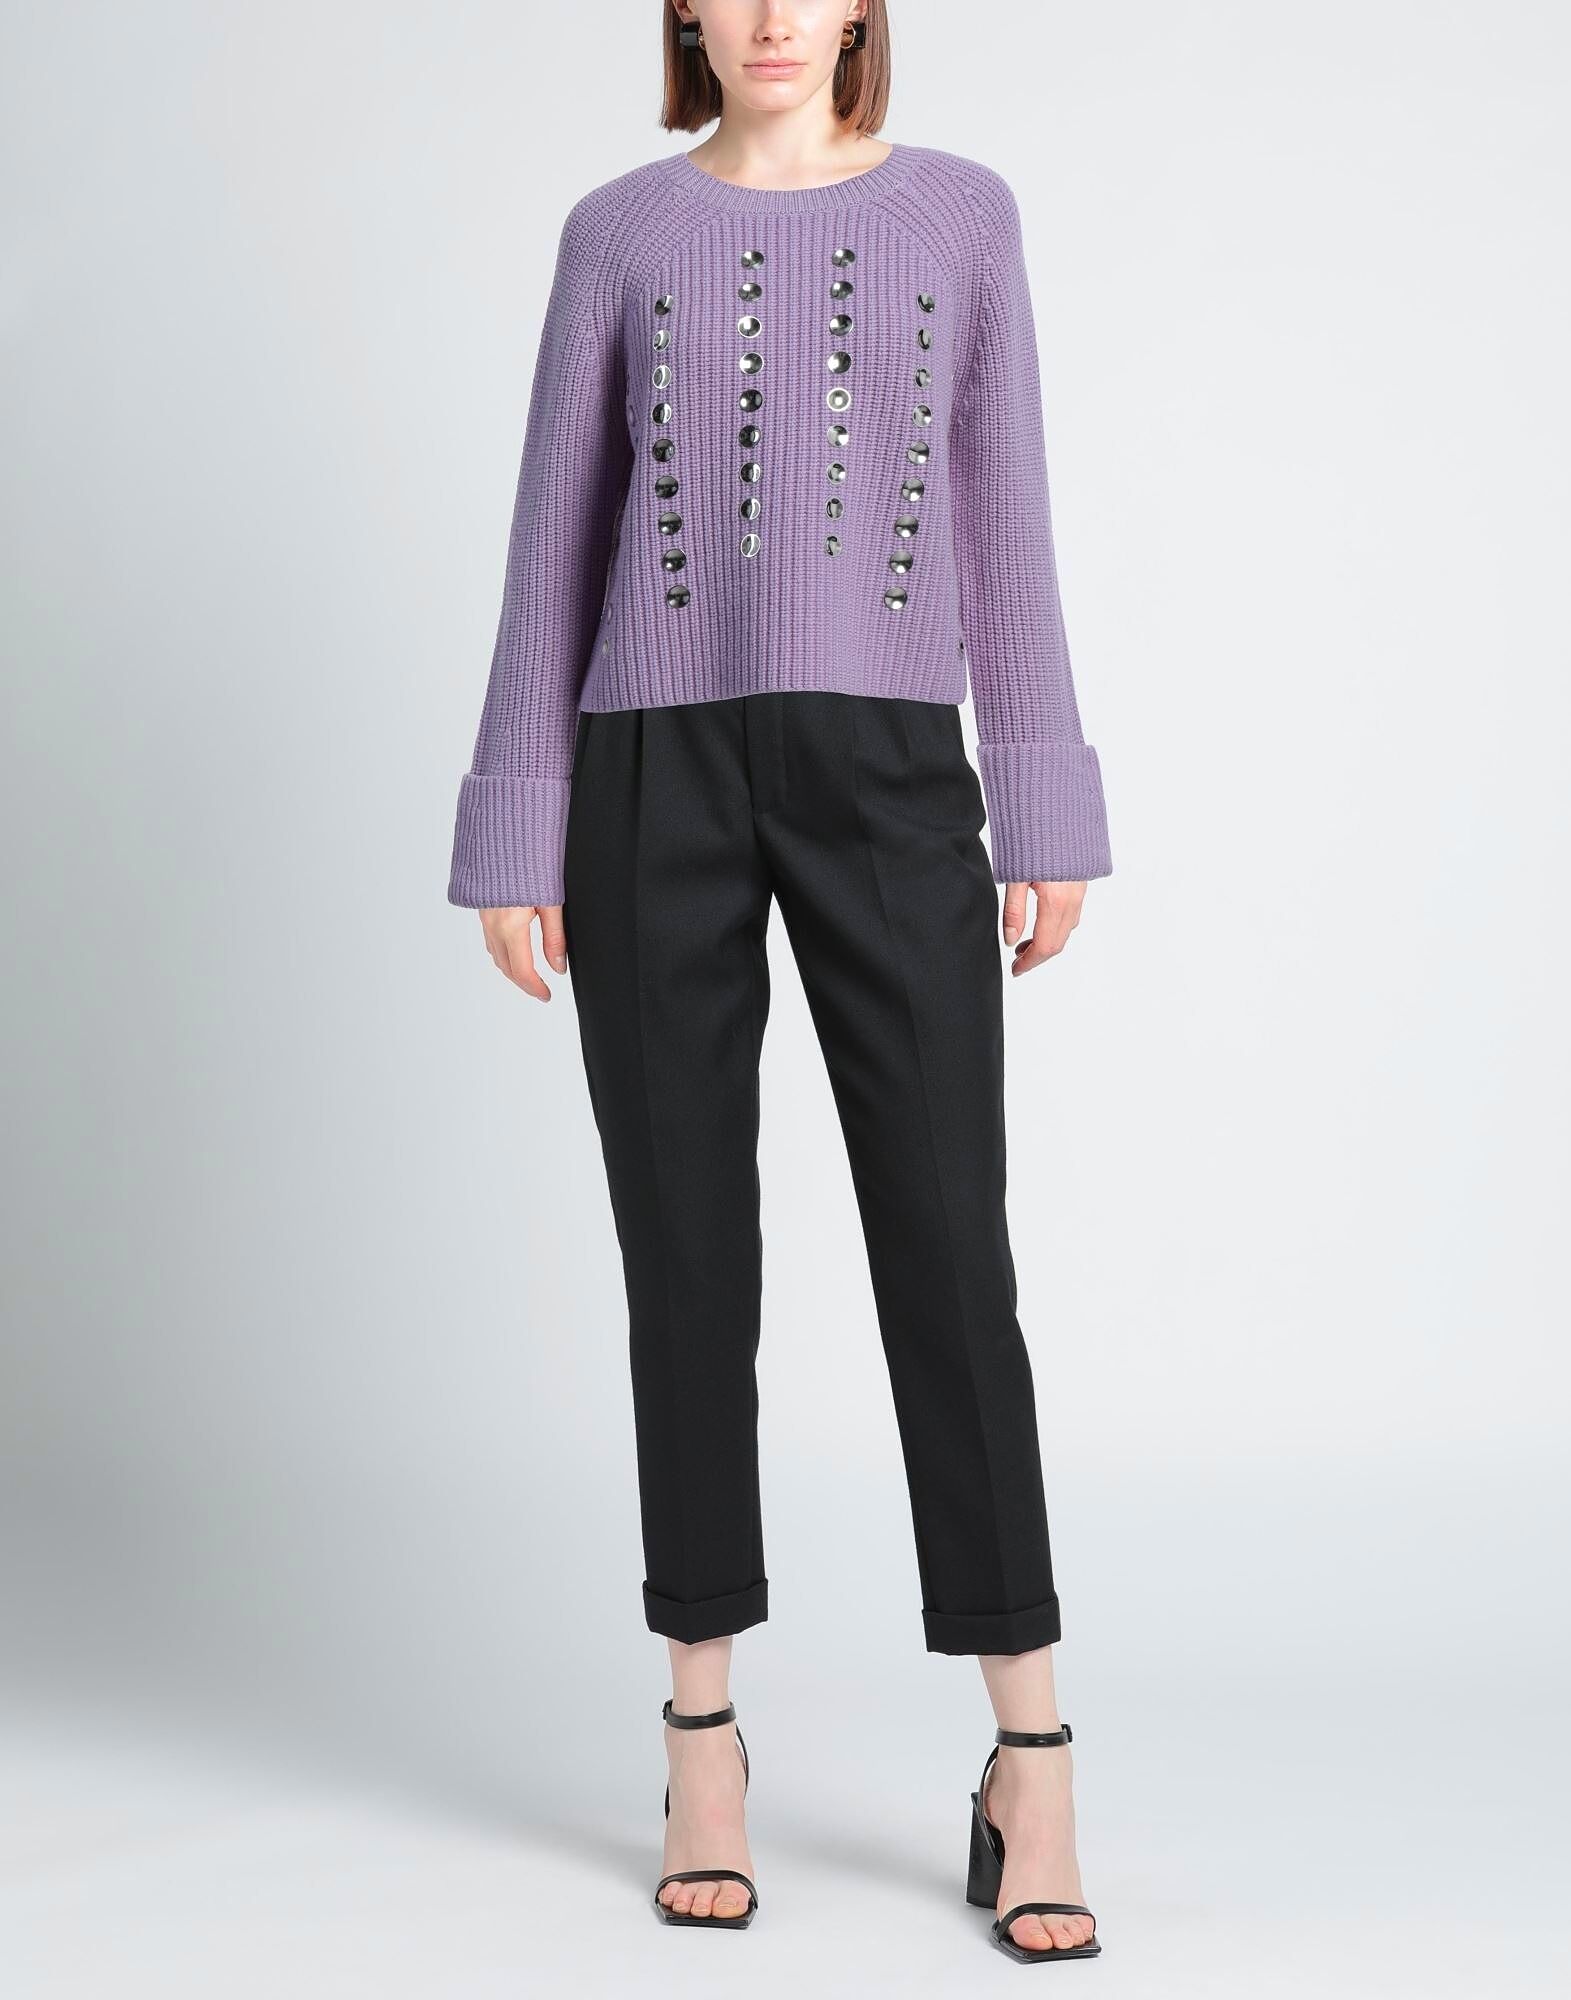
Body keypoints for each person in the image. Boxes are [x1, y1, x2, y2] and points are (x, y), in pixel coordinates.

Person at [446, 1, 1111, 1964]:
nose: (764, 15)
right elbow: (552, 535)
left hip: (890, 769)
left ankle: (1033, 1756)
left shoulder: (963, 217)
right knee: (686, 1259)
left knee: (947, 1249)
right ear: (682, 10)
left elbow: (1004, 514)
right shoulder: (618, 235)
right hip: (648, 766)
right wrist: (518, 820)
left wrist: (1043, 796)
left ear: (859, 10)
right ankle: (702, 1741)